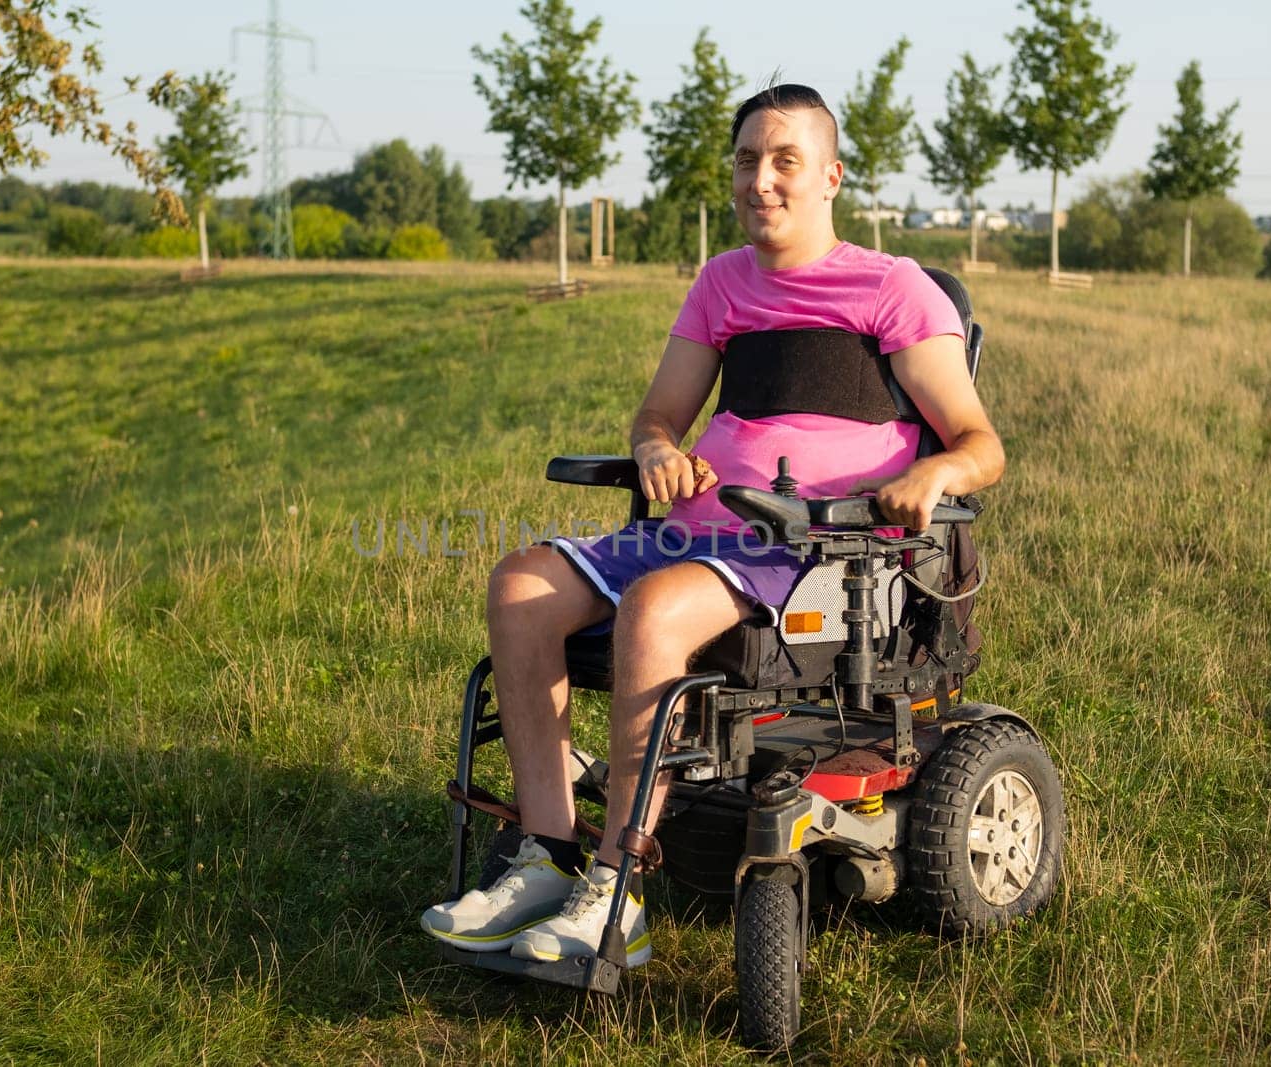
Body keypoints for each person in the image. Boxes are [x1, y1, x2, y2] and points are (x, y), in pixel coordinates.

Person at [421, 83, 1005, 967]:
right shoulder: (723, 282)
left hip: (813, 546)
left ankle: (617, 891)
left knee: (654, 610)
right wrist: (657, 451)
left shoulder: (893, 290)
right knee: (520, 584)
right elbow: (658, 418)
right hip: (696, 530)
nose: (760, 180)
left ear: (830, 178)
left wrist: (936, 471)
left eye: (784, 161)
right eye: (746, 160)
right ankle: (547, 854)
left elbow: (980, 444)